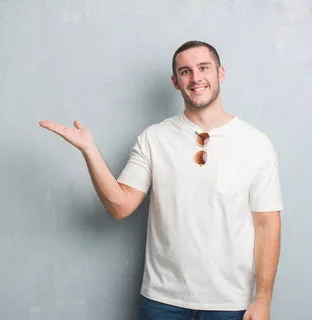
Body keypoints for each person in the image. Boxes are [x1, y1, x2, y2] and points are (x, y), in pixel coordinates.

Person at [39, 40, 283, 320]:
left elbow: (267, 226)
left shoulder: (256, 144)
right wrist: (89, 151)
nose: (196, 77)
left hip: (231, 303)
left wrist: (263, 300)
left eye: (203, 68)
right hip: (163, 301)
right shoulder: (154, 138)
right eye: (185, 71)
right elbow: (120, 206)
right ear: (175, 81)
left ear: (220, 73)